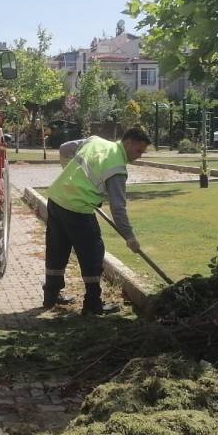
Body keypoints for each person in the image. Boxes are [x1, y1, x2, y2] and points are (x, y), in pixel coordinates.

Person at [43, 127, 150, 315]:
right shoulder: (117, 168)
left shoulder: (95, 140)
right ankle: (93, 304)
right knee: (93, 254)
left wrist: (72, 177)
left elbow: (64, 149)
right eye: (138, 150)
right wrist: (129, 236)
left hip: (57, 198)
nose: (139, 156)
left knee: (57, 249)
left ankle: (50, 296)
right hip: (78, 209)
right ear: (128, 142)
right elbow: (118, 208)